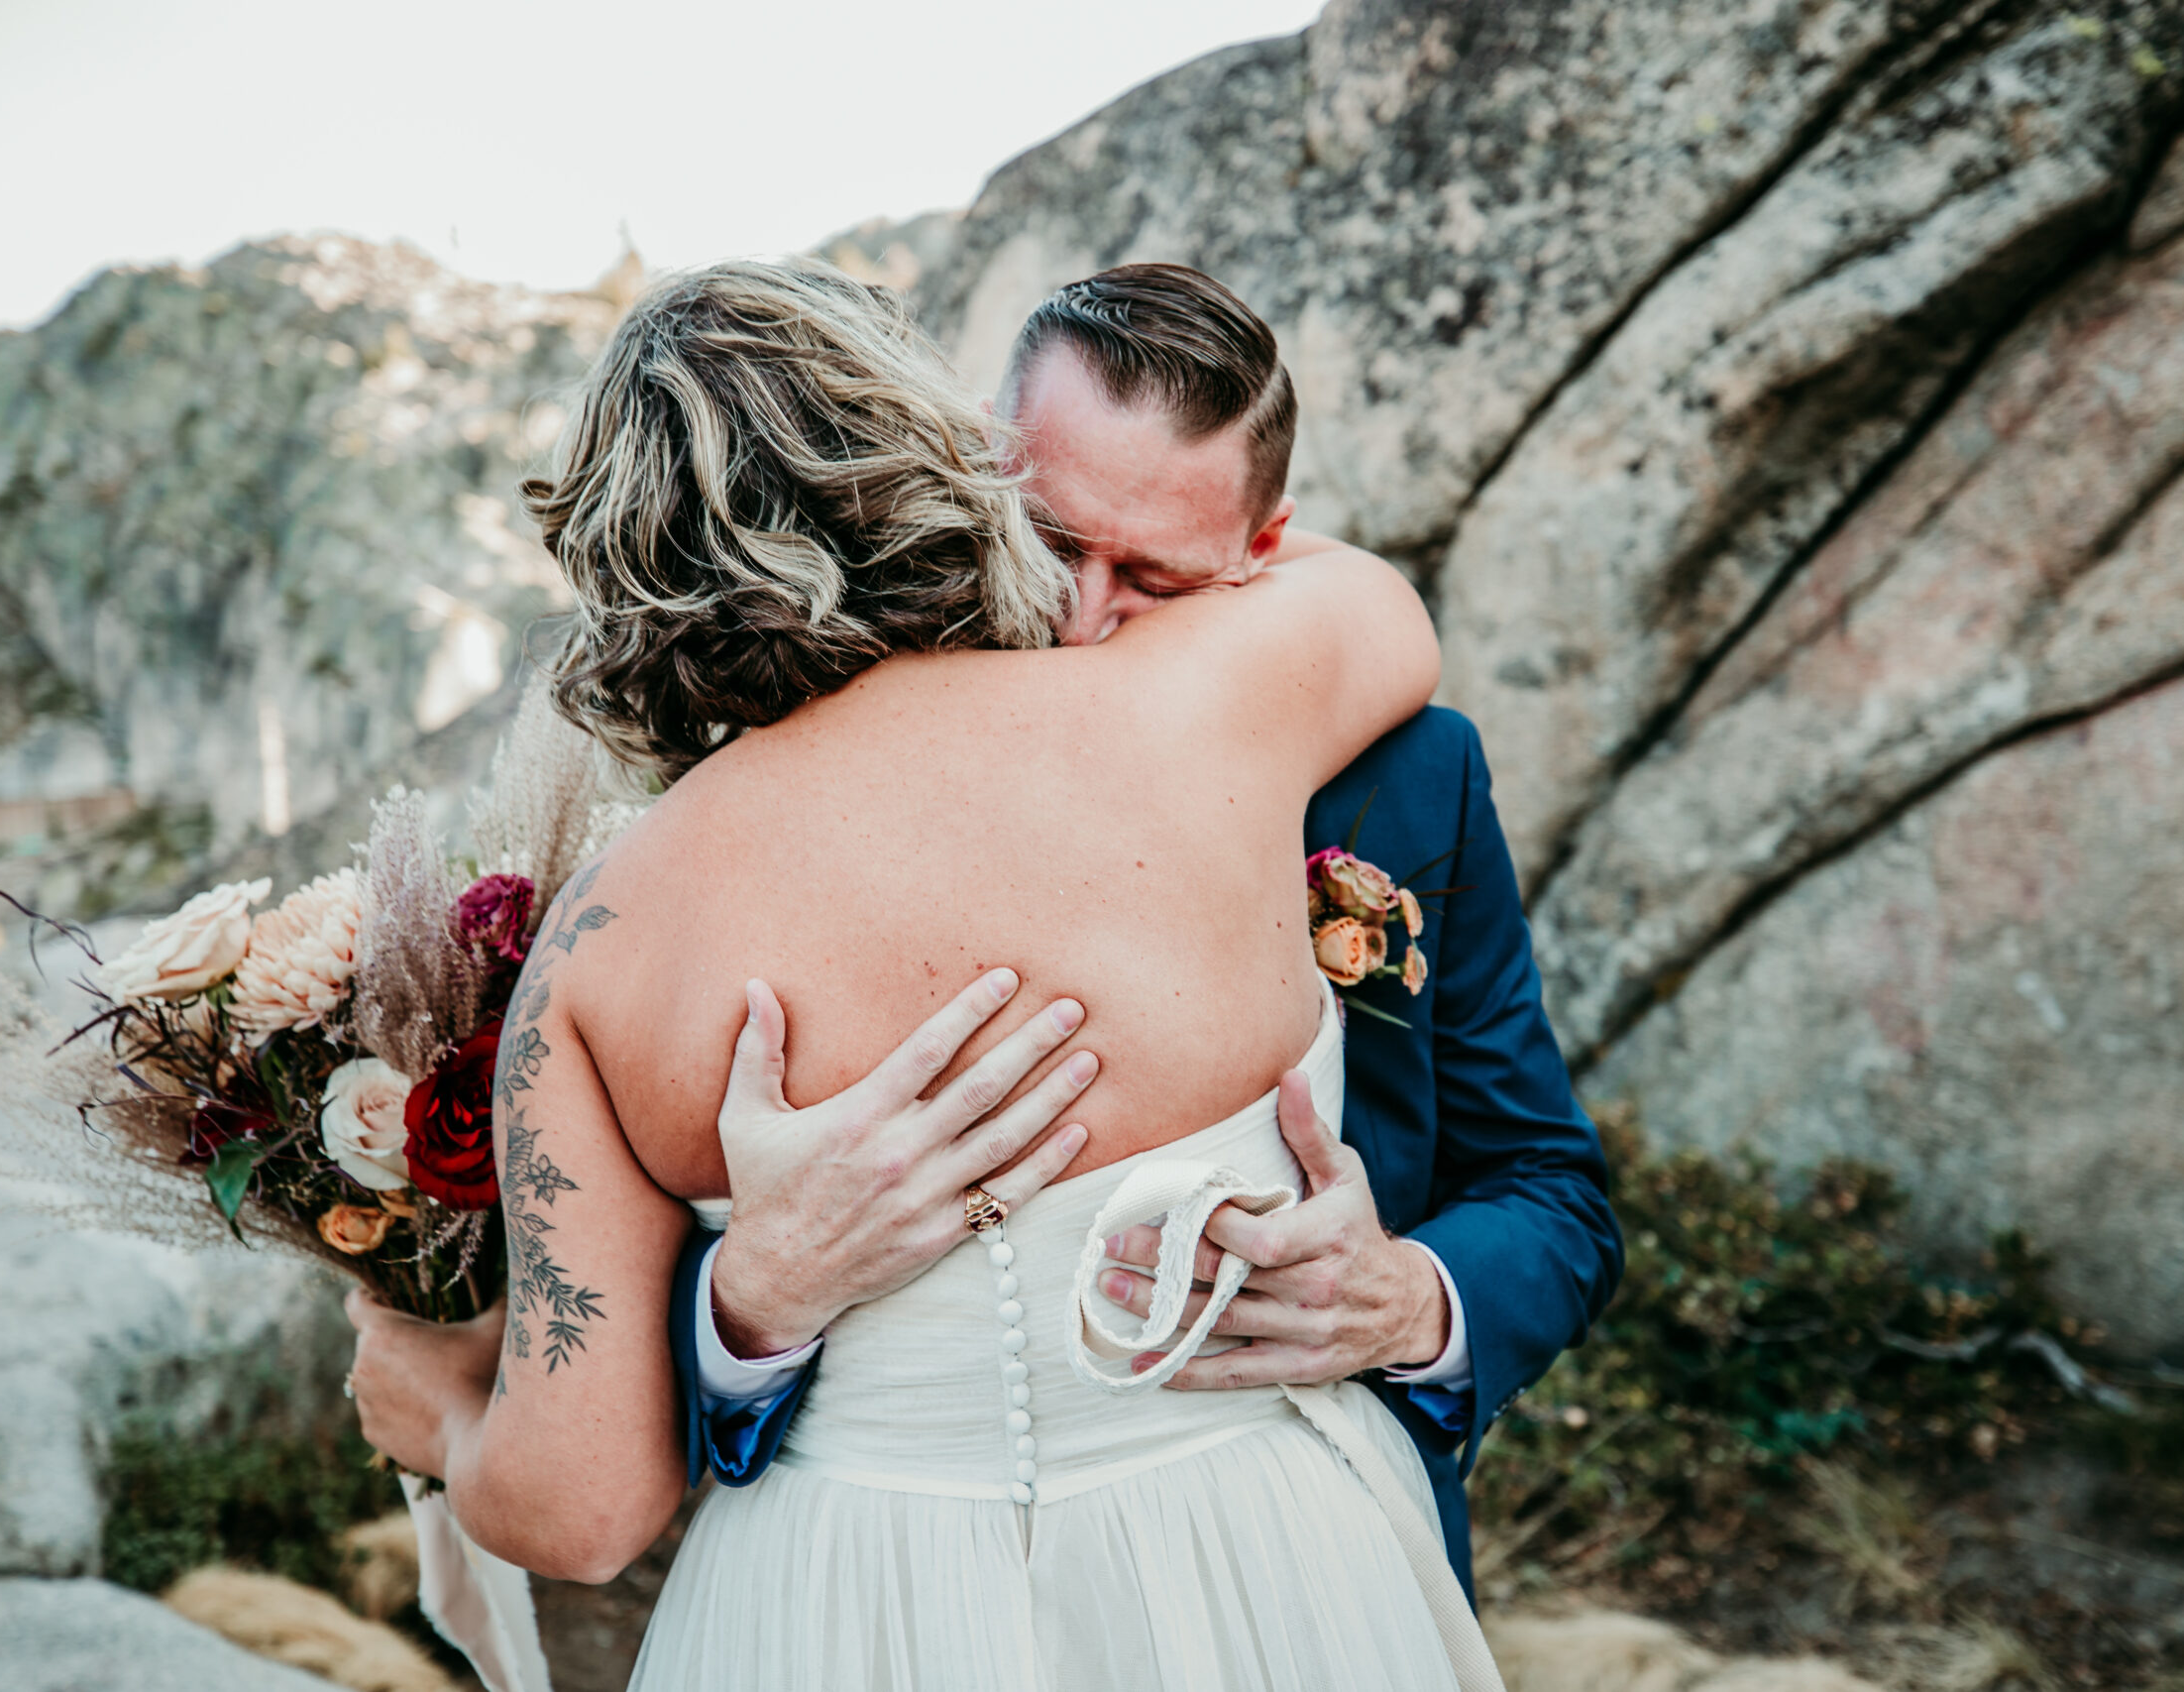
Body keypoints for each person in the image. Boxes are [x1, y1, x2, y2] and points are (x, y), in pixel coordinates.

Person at [346, 257, 1504, 1689]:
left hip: (839, 1606)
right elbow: (1368, 594)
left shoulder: (593, 961)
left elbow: (579, 1514)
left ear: (609, 568)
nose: (1096, 598)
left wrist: (439, 1415)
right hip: (1266, 1568)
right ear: (952, 462)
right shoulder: (1212, 705)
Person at [669, 265, 1624, 1599]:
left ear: (1262, 552)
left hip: (1315, 1569)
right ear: (980, 467)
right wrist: (746, 1308)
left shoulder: (1408, 780)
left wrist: (1410, 1298)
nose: (1079, 614)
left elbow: (1550, 1190)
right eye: (1050, 540)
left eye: (1154, 579)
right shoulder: (814, 762)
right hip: (908, 1589)